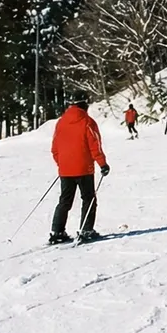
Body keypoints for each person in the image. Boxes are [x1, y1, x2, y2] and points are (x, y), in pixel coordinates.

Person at [49, 90, 109, 244]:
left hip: (65, 170)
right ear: (85, 104)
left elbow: (55, 148)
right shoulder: (88, 122)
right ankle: (86, 230)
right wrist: (102, 164)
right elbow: (95, 145)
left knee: (65, 200)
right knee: (88, 199)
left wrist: (62, 163)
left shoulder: (61, 122)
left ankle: (57, 231)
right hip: (84, 168)